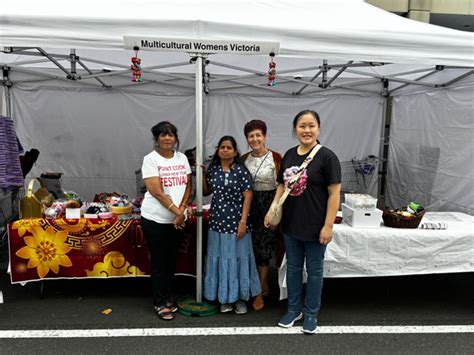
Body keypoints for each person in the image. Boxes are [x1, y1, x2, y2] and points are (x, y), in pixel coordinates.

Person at [265, 110, 341, 334]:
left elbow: (335, 194)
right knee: (294, 268)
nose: (306, 130)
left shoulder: (327, 157)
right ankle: (293, 309)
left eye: (311, 126)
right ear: (295, 129)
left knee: (315, 272)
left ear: (318, 128)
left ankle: (311, 313)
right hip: (291, 224)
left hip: (317, 226)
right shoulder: (289, 155)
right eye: (302, 126)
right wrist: (272, 210)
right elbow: (281, 186)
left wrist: (328, 226)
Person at [203, 135, 261, 314]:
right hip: (217, 224)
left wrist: (243, 221)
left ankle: (240, 299)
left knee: (239, 260)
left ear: (235, 152)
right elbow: (206, 192)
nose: (225, 150)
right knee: (220, 259)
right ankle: (224, 299)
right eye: (222, 147)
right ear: (218, 150)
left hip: (238, 224)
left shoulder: (241, 171)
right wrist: (201, 173)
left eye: (229, 147)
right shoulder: (213, 170)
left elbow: (248, 196)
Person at [141, 121, 192, 321]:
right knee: (160, 262)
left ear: (175, 138)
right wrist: (176, 211)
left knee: (171, 261)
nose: (167, 138)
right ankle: (159, 302)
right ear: (156, 139)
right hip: (156, 219)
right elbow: (156, 191)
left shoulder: (182, 158)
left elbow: (188, 185)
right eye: (163, 135)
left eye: (171, 135)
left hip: (177, 219)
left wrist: (182, 209)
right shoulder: (150, 160)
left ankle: (167, 296)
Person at [241, 119, 282, 311]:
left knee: (264, 249)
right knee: (251, 247)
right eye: (251, 136)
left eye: (258, 135)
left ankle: (258, 291)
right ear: (247, 139)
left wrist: (275, 212)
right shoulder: (243, 159)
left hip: (269, 206)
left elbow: (282, 187)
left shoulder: (276, 158)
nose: (255, 139)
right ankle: (260, 284)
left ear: (264, 136)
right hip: (249, 206)